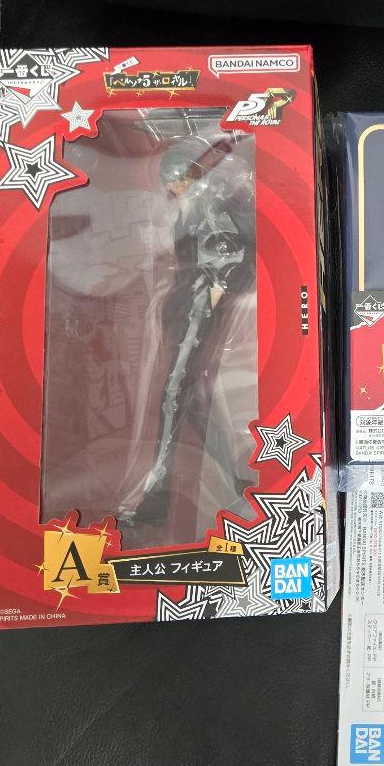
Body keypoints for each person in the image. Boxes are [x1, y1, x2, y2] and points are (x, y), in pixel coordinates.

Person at [120, 133, 253, 533]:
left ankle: (158, 493)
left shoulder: (211, 206)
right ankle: (238, 480)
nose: (172, 187)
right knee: (190, 399)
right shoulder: (198, 206)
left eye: (176, 179)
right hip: (186, 308)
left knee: (175, 394)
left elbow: (232, 253)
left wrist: (214, 293)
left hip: (196, 309)